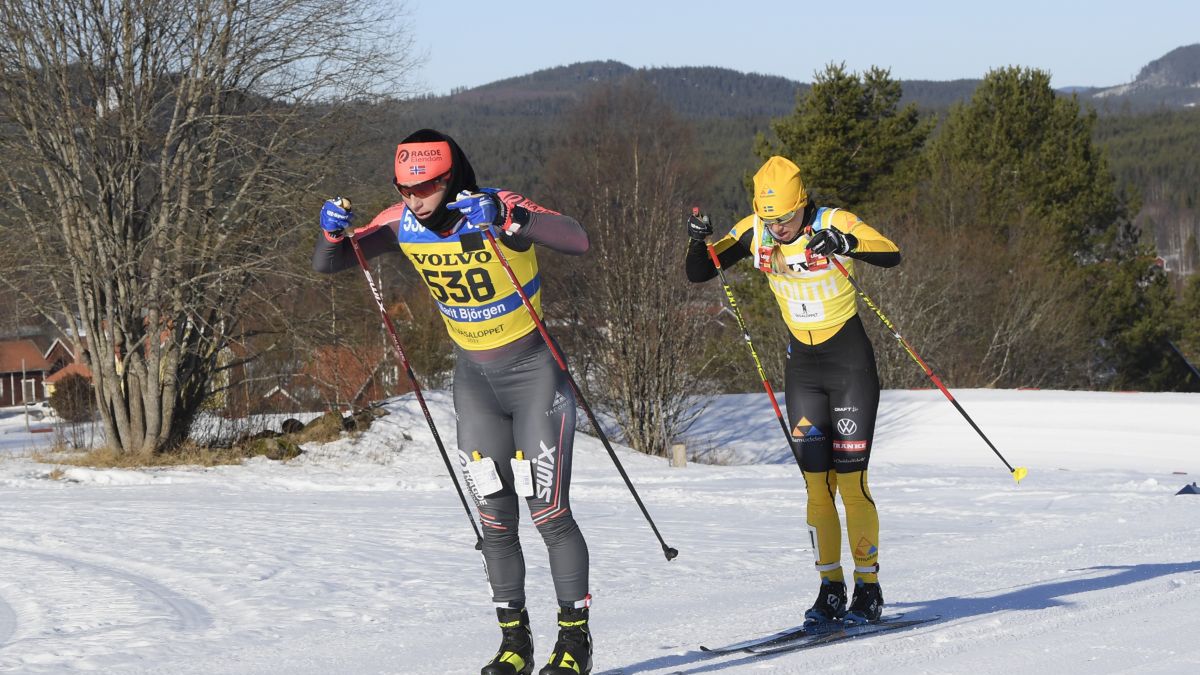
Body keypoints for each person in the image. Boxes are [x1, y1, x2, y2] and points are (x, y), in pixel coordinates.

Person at [313, 129, 593, 675]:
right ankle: (515, 645)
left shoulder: (493, 206)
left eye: (427, 187)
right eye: (405, 188)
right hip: (475, 384)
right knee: (494, 517)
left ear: (451, 178)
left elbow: (577, 239)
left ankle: (574, 643)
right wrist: (330, 233)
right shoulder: (401, 223)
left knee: (549, 511)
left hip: (535, 374)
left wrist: (510, 221)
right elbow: (331, 263)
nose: (415, 199)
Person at [685, 155, 901, 626]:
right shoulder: (756, 230)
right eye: (770, 219)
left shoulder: (831, 221)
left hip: (849, 365)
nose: (778, 228)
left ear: (803, 205)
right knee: (815, 486)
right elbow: (701, 271)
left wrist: (847, 243)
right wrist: (697, 240)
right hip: (802, 369)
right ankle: (830, 587)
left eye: (785, 217)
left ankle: (869, 586)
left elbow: (889, 251)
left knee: (851, 482)